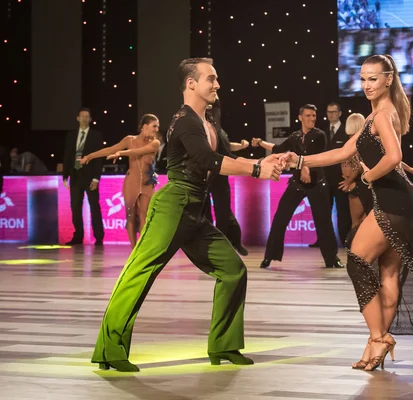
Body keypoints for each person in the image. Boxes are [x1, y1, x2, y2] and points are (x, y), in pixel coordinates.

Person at [90, 57, 285, 372]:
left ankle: (224, 345)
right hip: (174, 204)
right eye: (211, 78)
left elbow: (221, 155)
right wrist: (257, 168)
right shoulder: (184, 120)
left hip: (196, 209)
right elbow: (208, 159)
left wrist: (266, 157)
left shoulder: (207, 122)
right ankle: (110, 350)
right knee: (140, 273)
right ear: (191, 83)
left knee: (233, 270)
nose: (217, 84)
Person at [284, 54, 413, 371]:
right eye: (362, 78)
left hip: (394, 199)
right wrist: (300, 161)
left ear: (388, 79)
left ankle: (378, 337)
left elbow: (394, 156)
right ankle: (377, 340)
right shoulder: (377, 116)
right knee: (387, 273)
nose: (367, 84)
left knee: (357, 260)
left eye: (373, 78)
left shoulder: (383, 115)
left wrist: (367, 176)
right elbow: (343, 152)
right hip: (403, 199)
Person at [251, 104, 344, 269]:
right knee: (280, 218)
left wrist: (305, 168)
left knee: (323, 221)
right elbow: (279, 148)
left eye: (314, 115)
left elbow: (319, 157)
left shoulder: (320, 135)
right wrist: (260, 143)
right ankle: (269, 257)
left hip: (318, 183)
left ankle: (332, 258)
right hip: (297, 184)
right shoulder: (294, 136)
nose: (312, 118)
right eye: (308, 115)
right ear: (300, 117)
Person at [80, 114, 161, 248]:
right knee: (130, 215)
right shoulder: (129, 139)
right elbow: (111, 149)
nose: (157, 129)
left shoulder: (155, 143)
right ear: (144, 126)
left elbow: (139, 151)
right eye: (154, 126)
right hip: (131, 182)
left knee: (144, 215)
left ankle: (142, 248)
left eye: (157, 126)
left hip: (147, 183)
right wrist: (90, 156)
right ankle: (134, 250)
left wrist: (121, 153)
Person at [204, 95, 249, 256]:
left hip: (220, 174)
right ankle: (215, 246)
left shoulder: (218, 128)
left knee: (223, 212)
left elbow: (226, 148)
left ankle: (230, 242)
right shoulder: (200, 126)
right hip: (206, 174)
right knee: (207, 213)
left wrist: (241, 146)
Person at [310, 102, 351, 248]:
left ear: (340, 113)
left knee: (343, 212)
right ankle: (323, 240)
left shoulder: (347, 131)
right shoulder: (323, 133)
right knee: (324, 211)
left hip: (341, 179)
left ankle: (346, 239)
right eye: (328, 112)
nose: (331, 115)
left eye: (334, 112)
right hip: (325, 179)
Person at [62, 108, 105, 245]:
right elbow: (67, 156)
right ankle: (78, 236)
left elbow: (99, 158)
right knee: (75, 207)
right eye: (82, 116)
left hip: (90, 176)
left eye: (87, 116)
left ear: (90, 119)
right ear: (78, 118)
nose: (84, 119)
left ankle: (99, 237)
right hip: (75, 175)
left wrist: (96, 178)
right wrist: (65, 176)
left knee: (94, 206)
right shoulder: (71, 135)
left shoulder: (96, 135)